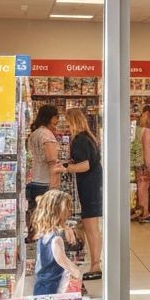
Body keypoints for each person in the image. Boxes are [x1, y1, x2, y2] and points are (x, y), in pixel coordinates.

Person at [59, 108, 102, 280]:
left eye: (67, 122)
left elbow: (85, 165)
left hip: (89, 187)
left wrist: (67, 168)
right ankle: (95, 263)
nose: (65, 126)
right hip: (93, 185)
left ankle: (96, 265)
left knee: (91, 227)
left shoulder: (80, 140)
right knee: (91, 227)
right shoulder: (88, 138)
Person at [32, 188, 83, 295]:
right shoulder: (56, 239)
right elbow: (62, 260)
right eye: (67, 208)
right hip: (53, 288)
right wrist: (77, 273)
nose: (69, 211)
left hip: (41, 285)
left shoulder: (43, 234)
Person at [27, 104, 61, 234]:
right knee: (48, 220)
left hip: (34, 179)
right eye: (56, 117)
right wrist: (54, 186)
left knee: (36, 216)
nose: (57, 121)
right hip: (46, 182)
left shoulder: (34, 134)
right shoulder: (47, 135)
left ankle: (35, 240)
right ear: (51, 118)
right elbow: (52, 161)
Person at [133, 107, 150, 224]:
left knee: (141, 188)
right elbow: (147, 151)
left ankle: (141, 211)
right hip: (144, 164)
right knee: (143, 188)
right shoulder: (147, 131)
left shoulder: (139, 131)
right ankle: (145, 213)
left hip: (138, 163)